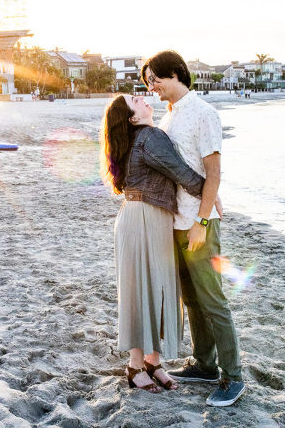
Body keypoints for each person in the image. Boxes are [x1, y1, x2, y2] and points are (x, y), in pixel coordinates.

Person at [141, 50, 246, 407]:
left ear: (174, 74)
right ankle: (205, 365)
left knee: (213, 300)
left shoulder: (203, 113)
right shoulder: (169, 117)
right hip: (174, 221)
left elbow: (213, 172)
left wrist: (203, 220)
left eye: (154, 79)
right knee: (193, 300)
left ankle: (233, 377)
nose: (151, 87)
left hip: (198, 224)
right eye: (147, 83)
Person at [100, 94, 205, 393]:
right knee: (145, 290)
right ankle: (135, 366)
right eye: (136, 100)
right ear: (132, 117)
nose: (144, 99)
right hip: (145, 219)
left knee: (152, 289)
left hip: (141, 218)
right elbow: (181, 173)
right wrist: (212, 194)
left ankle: (153, 362)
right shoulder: (150, 136)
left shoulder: (138, 139)